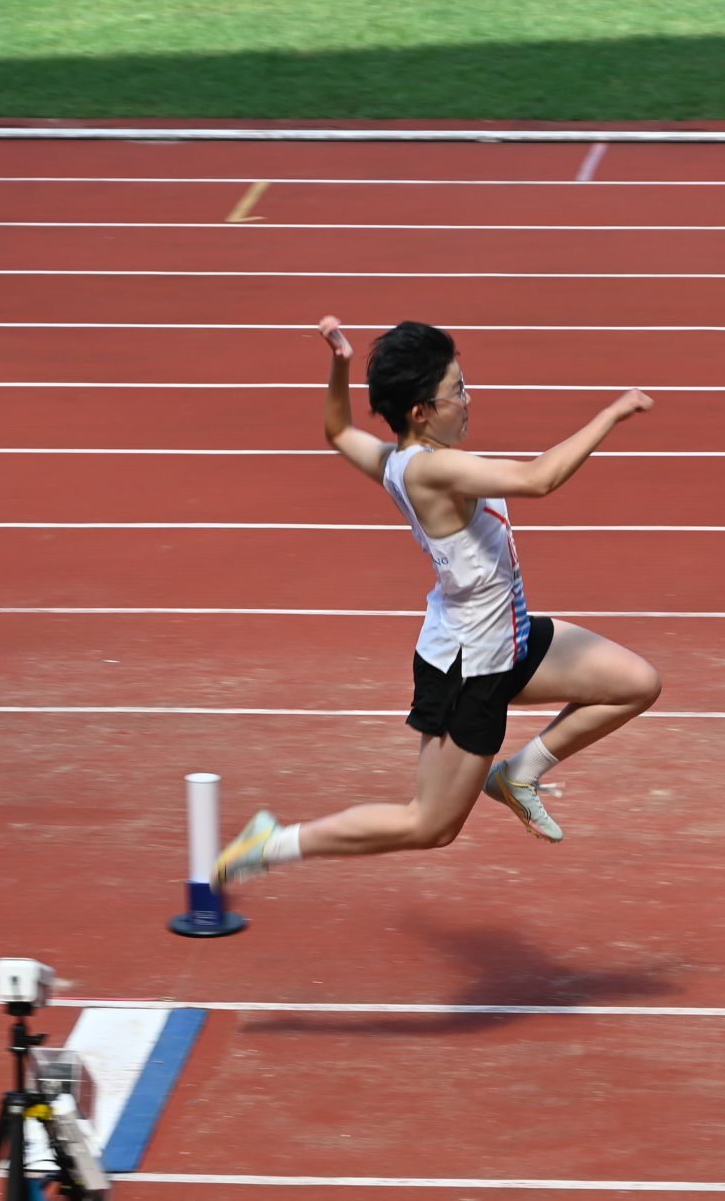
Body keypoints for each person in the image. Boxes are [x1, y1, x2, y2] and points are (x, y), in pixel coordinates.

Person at [213, 317, 661, 889]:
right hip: (471, 667)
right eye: (458, 391)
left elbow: (336, 431)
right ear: (421, 411)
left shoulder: (391, 460)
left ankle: (519, 775)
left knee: (635, 683)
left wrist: (342, 362)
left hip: (510, 637)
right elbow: (541, 478)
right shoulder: (436, 468)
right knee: (429, 824)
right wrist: (612, 413)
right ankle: (272, 842)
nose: (469, 401)